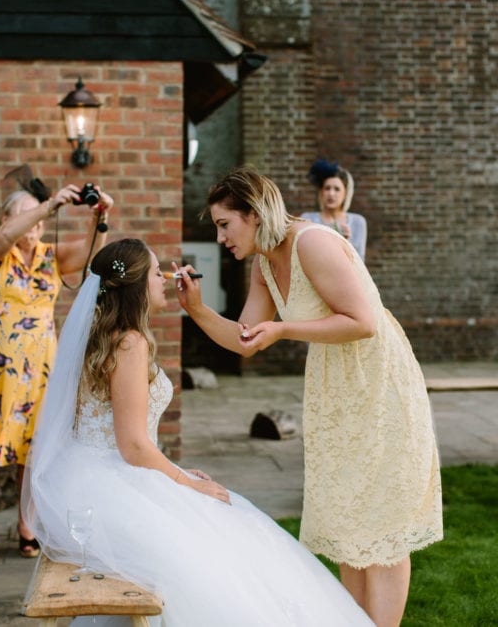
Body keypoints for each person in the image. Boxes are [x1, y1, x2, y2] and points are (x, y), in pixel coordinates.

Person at [24, 238, 374, 626]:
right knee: (217, 547)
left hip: (95, 476)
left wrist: (178, 476)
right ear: (138, 285)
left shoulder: (104, 338)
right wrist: (185, 483)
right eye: (157, 273)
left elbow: (122, 440)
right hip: (110, 485)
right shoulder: (129, 343)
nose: (166, 278)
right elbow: (133, 446)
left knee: (225, 534)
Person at [176, 167, 442, 626]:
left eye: (224, 224)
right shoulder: (263, 263)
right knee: (346, 518)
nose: (220, 238)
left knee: (380, 521)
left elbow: (363, 321)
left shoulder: (313, 243)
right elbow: (246, 339)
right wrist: (197, 310)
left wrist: (284, 328)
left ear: (255, 213)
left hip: (377, 383)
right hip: (334, 386)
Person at [0, 175, 114, 559]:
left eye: (39, 218)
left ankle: (28, 522)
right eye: (27, 215)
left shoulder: (50, 256)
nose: (36, 223)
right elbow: (6, 236)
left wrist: (98, 218)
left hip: (39, 366)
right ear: (6, 219)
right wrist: (50, 203)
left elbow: (91, 256)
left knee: (36, 447)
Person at [300, 159, 368, 260]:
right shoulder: (307, 219)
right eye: (327, 188)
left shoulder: (358, 222)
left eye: (337, 189)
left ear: (345, 194)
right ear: (321, 192)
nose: (331, 194)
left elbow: (360, 264)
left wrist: (347, 244)